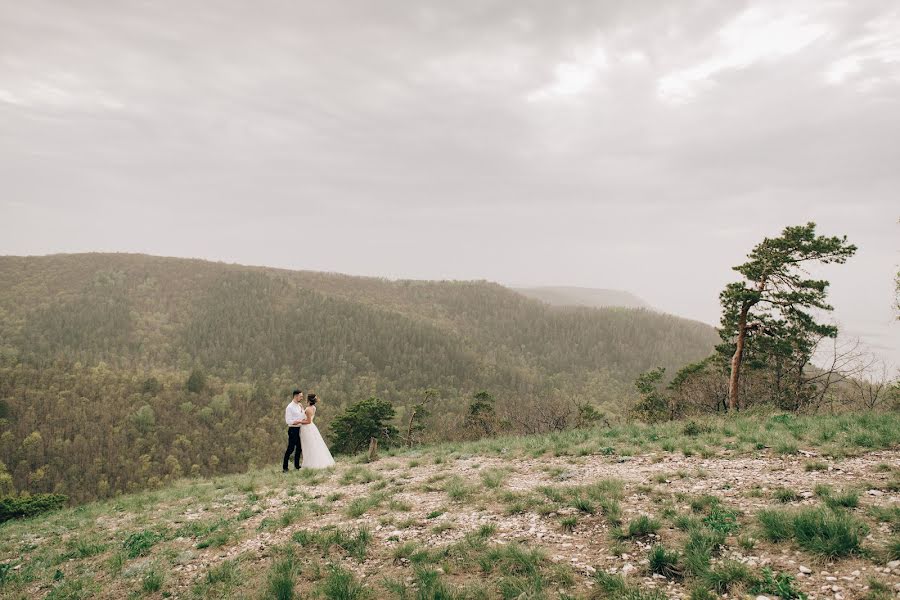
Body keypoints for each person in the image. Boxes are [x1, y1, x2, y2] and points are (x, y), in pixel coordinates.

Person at [298, 393, 335, 469]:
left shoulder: (308, 409)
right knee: (314, 444)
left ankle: (310, 463)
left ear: (308, 400)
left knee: (308, 445)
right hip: (312, 427)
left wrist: (299, 421)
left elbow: (308, 421)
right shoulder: (313, 408)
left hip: (307, 428)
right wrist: (302, 409)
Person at [283, 389, 305, 472]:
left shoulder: (299, 405)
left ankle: (297, 466)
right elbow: (288, 421)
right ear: (296, 396)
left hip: (300, 429)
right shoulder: (289, 407)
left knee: (299, 448)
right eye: (301, 396)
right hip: (293, 429)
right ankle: (285, 468)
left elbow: (302, 416)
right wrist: (297, 421)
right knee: (291, 449)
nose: (302, 398)